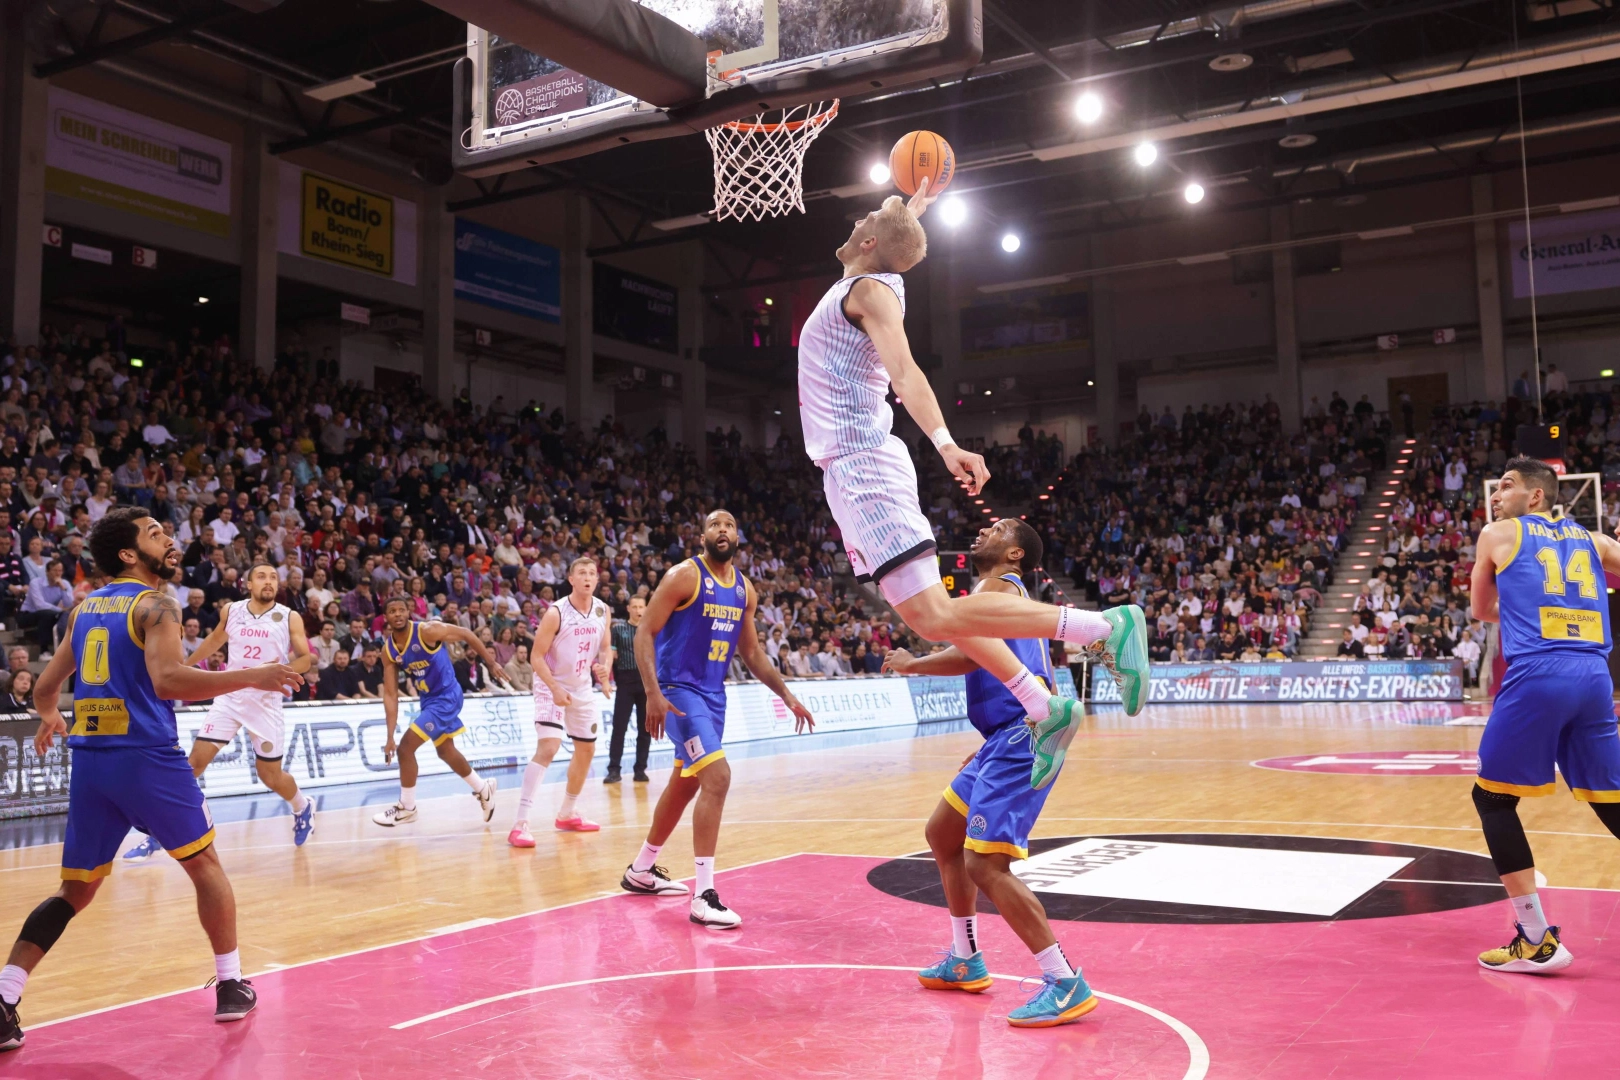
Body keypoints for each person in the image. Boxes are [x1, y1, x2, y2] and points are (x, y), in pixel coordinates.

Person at [795, 178, 1147, 788]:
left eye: (871, 216)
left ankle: (1101, 627)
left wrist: (945, 441)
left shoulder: (871, 288)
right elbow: (899, 236)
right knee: (934, 620)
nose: (858, 217)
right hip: (849, 469)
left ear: (871, 240)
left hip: (862, 462)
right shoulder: (877, 276)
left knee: (936, 613)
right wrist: (914, 208)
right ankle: (1043, 705)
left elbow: (904, 370)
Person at [0, 506, 303, 1049]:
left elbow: (45, 689)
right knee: (205, 864)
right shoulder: (156, 604)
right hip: (148, 758)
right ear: (127, 553)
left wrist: (51, 719)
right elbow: (168, 681)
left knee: (75, 890)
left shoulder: (85, 608)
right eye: (155, 534)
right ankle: (232, 984)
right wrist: (257, 674)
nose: (169, 540)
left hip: (93, 763)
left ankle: (4, 998)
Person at [883, 519, 1097, 1027]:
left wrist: (913, 664)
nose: (983, 530)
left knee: (986, 866)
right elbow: (975, 657)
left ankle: (1065, 980)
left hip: (1022, 735)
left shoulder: (997, 588)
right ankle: (965, 958)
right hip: (1000, 739)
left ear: (1017, 555)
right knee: (942, 831)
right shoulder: (998, 594)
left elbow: (964, 654)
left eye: (998, 529)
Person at [619, 510, 814, 927]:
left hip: (713, 696)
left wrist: (787, 694)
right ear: (703, 535)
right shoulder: (683, 576)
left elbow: (753, 653)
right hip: (676, 693)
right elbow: (643, 632)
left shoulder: (744, 590)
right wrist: (652, 691)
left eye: (728, 525)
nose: (721, 530)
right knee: (718, 777)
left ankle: (641, 870)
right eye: (714, 525)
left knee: (686, 783)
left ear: (738, 536)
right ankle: (704, 895)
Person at [1468, 457, 1620, 974]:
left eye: (1507, 486)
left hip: (1540, 674)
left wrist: (1528, 604)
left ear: (1535, 497)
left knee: (1490, 798)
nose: (1496, 495)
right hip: (1596, 677)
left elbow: (1482, 610)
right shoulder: (1594, 542)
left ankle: (1535, 939)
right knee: (1611, 802)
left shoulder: (1498, 534)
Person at [123, 563, 317, 860]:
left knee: (270, 775)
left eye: (273, 578)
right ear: (248, 584)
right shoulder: (232, 611)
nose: (269, 582)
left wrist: (281, 671)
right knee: (192, 765)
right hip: (230, 694)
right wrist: (185, 667)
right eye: (262, 576)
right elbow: (214, 641)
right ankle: (159, 835)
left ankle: (302, 806)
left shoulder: (289, 617)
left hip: (265, 702)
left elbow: (306, 658)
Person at [371, 597, 509, 826]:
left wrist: (491, 662)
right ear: (385, 617)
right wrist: (388, 737)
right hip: (428, 699)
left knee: (406, 749)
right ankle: (483, 789)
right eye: (392, 611)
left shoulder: (427, 631)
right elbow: (391, 695)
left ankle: (407, 807)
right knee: (445, 751)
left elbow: (465, 633)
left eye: (401, 610)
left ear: (409, 612)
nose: (397, 614)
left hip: (447, 696)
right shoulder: (388, 651)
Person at [508, 557, 612, 847]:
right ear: (571, 579)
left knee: (586, 751)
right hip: (549, 683)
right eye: (582, 573)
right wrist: (553, 688)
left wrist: (604, 672)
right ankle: (520, 823)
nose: (588, 577)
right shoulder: (556, 613)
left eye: (592, 573)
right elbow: (536, 657)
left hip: (581, 687)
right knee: (550, 747)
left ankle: (567, 812)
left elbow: (606, 649)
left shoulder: (603, 610)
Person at [605, 595, 650, 784]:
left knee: (645, 728)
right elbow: (610, 655)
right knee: (619, 728)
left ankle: (640, 769)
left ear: (646, 608)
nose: (639, 610)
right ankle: (614, 770)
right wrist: (606, 680)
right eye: (635, 606)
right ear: (628, 608)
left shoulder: (651, 630)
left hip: (646, 682)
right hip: (625, 681)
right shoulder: (619, 629)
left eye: (641, 606)